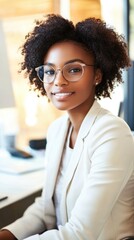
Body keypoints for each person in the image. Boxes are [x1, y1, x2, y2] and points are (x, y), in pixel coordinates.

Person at [0, 14, 134, 240]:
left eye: (73, 70)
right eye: (50, 71)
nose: (58, 81)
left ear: (97, 75)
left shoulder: (112, 134)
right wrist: (7, 234)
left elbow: (80, 233)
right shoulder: (57, 130)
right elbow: (46, 210)